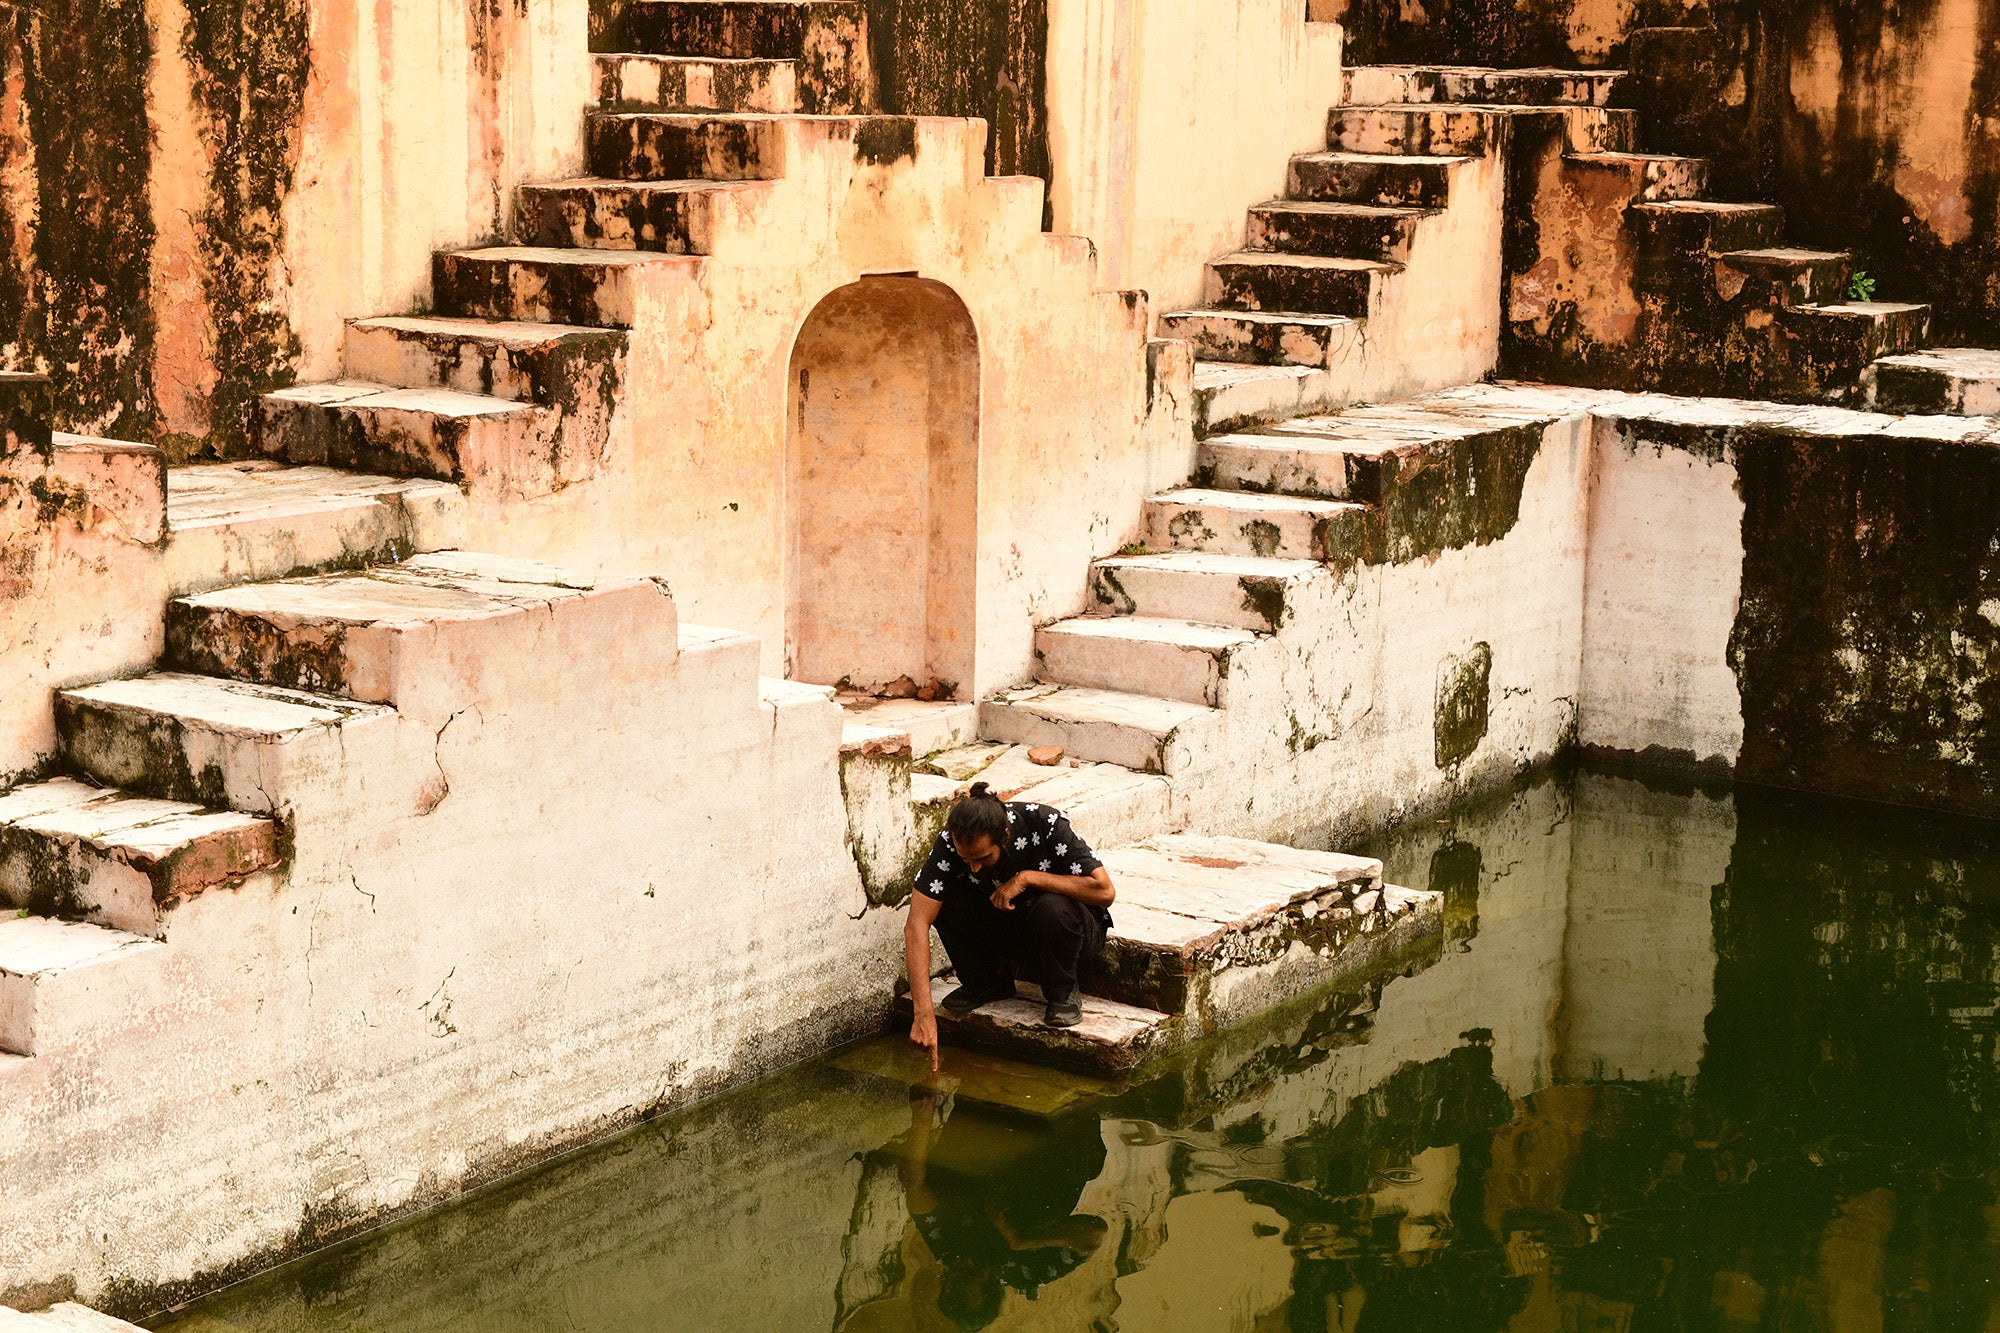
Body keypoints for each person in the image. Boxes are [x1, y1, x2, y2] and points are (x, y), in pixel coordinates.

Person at [905, 782, 1116, 1064]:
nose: (974, 869)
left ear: (1004, 836)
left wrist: (1027, 878)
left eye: (982, 858)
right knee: (942, 900)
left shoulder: (1045, 822)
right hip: (1012, 930)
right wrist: (923, 1013)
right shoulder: (949, 843)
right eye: (967, 860)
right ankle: (986, 982)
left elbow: (1104, 891)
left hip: (1068, 932)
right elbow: (916, 923)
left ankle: (1062, 991)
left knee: (1052, 908)